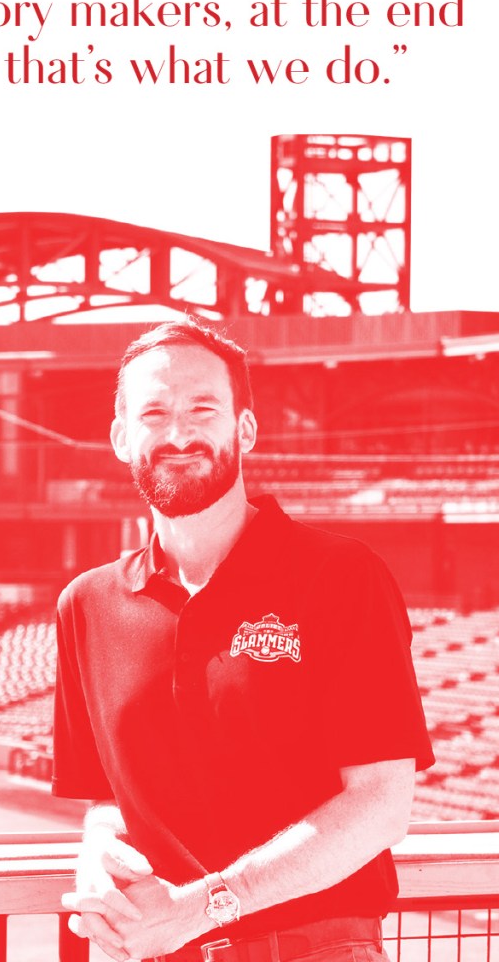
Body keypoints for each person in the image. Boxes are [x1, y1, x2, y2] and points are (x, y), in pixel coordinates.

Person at [53, 317, 434, 962]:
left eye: (204, 408)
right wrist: (98, 848)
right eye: (154, 413)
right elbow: (108, 798)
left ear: (245, 429)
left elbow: (382, 803)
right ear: (121, 438)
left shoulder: (339, 575)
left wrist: (200, 908)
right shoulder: (87, 606)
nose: (179, 433)